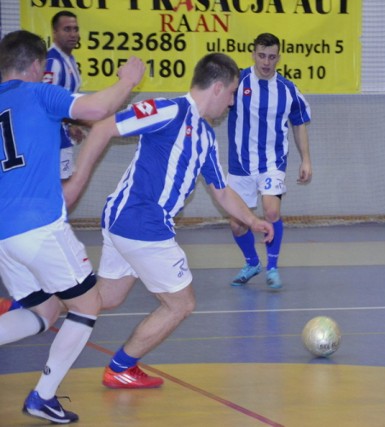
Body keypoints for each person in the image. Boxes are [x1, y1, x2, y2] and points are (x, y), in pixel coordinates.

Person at [64, 53, 274, 389]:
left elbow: (221, 192)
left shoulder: (205, 136)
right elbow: (104, 127)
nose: (232, 102)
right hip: (142, 221)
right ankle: (120, 367)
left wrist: (253, 220)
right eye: (233, 93)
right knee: (181, 304)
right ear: (218, 88)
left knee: (106, 297)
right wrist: (77, 182)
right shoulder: (168, 109)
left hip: (126, 221)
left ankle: (31, 305)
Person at [0, 30, 145, 423]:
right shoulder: (39, 93)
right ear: (38, 67)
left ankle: (44, 393)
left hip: (4, 235)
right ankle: (43, 396)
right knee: (87, 304)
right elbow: (97, 109)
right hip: (40, 227)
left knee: (44, 311)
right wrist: (128, 80)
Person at [225, 32, 312, 290]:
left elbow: (299, 123)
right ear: (253, 54)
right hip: (239, 164)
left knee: (271, 211)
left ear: (278, 58)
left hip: (272, 162)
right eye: (261, 55)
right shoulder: (238, 81)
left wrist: (306, 159)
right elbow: (213, 105)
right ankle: (252, 262)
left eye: (271, 57)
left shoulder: (287, 89)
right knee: (237, 225)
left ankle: (273, 267)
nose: (266, 62)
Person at [43, 10, 85, 179]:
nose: (73, 34)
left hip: (61, 135)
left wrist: (71, 126)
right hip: (51, 139)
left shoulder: (69, 59)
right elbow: (46, 104)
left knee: (64, 184)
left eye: (75, 29)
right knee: (63, 186)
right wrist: (81, 121)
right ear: (54, 32)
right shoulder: (52, 62)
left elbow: (65, 103)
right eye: (67, 29)